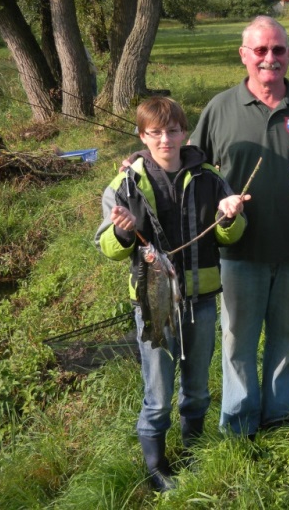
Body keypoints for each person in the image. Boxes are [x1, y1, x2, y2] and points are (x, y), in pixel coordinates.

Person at [95, 96, 248, 491]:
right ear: (142, 136)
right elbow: (109, 248)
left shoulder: (209, 177)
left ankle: (194, 451)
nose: (166, 139)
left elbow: (229, 236)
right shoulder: (124, 184)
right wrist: (124, 230)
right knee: (158, 393)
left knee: (197, 387)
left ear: (185, 131)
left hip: (200, 300)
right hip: (153, 305)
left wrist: (230, 215)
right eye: (156, 133)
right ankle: (157, 467)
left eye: (173, 130)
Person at [189, 16, 289, 438]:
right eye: (260, 50)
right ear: (244, 55)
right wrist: (140, 160)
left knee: (288, 338)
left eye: (277, 50)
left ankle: (278, 417)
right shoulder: (220, 108)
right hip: (238, 252)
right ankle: (240, 425)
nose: (269, 58)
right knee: (238, 344)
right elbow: (189, 165)